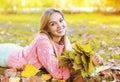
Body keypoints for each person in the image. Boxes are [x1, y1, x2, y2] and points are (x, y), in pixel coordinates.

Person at [0, 8, 103, 80]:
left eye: (61, 20)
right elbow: (57, 72)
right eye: (53, 24)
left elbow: (72, 63)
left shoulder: (62, 39)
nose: (59, 26)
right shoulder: (43, 41)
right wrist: (68, 50)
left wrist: (90, 61)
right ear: (46, 28)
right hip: (8, 55)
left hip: (17, 49)